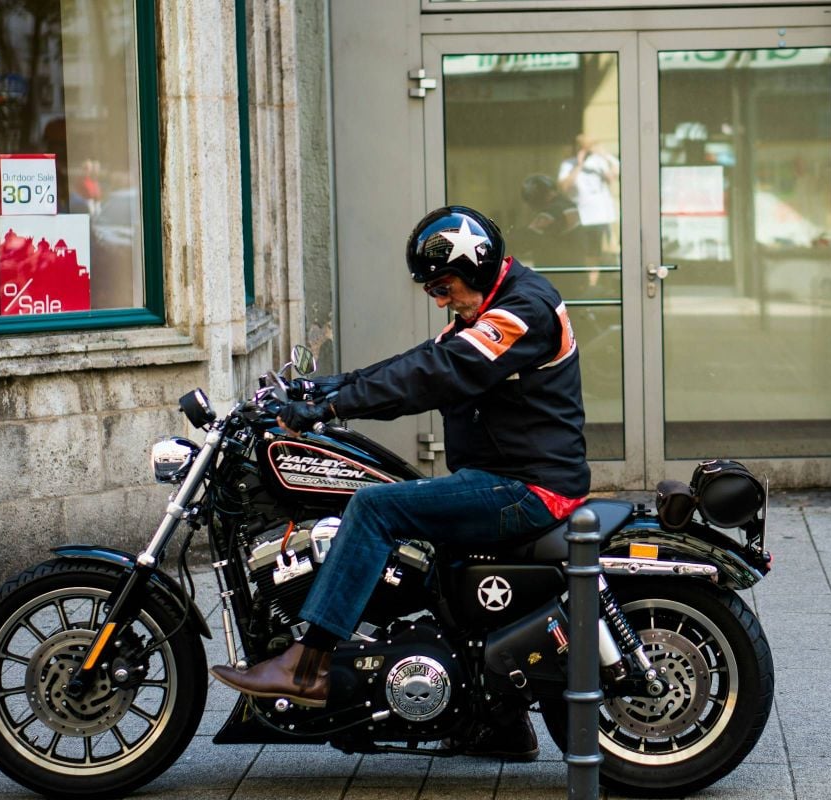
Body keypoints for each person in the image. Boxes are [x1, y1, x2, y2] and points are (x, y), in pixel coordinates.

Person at [210, 205, 590, 761]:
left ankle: (307, 664)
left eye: (443, 285)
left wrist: (336, 405)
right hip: (501, 476)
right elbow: (420, 362)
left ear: (477, 266)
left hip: (526, 488)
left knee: (374, 508)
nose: (438, 297)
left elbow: (438, 374)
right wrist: (322, 389)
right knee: (429, 564)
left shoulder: (521, 312)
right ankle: (498, 724)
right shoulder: (490, 306)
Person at [557, 134, 619, 264]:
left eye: (590, 147)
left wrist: (605, 155)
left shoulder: (599, 162)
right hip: (582, 216)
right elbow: (564, 186)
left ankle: (594, 282)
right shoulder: (569, 164)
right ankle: (587, 282)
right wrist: (579, 165)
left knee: (600, 253)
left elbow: (612, 176)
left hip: (601, 215)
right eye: (584, 147)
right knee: (583, 254)